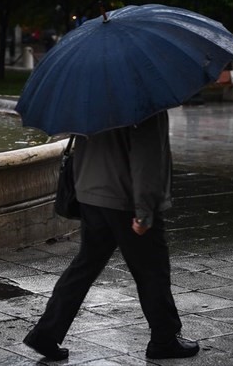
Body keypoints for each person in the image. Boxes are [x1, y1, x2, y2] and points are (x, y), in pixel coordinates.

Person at [23, 111, 199, 361]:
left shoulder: (93, 97)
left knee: (84, 266)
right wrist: (145, 210)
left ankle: (46, 333)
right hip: (125, 200)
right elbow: (146, 157)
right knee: (152, 269)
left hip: (91, 193)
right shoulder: (145, 102)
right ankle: (165, 338)